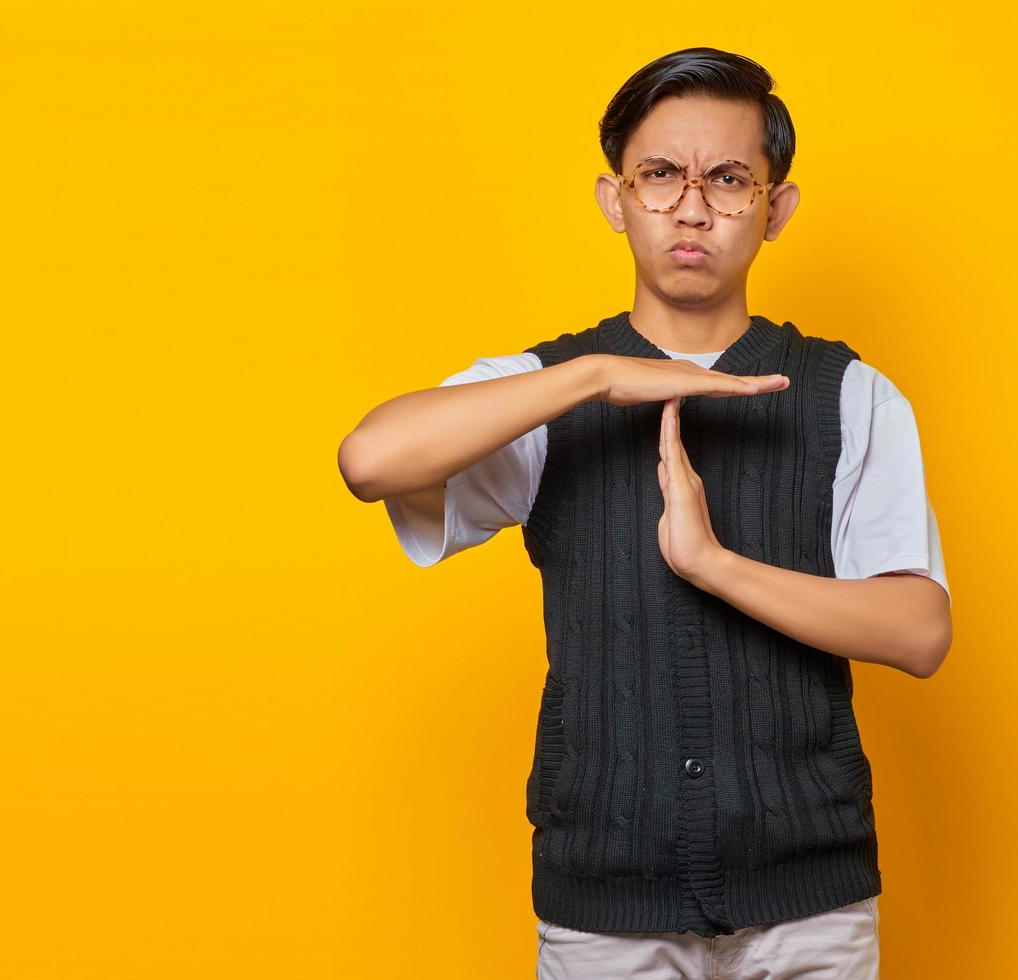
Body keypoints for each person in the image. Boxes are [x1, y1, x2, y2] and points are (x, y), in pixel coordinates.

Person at [338, 46, 953, 979]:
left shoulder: (851, 395)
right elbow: (369, 459)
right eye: (660, 175)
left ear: (776, 208)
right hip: (604, 907)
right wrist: (594, 377)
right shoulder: (547, 390)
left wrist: (715, 565)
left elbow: (919, 631)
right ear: (613, 198)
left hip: (810, 907)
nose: (693, 207)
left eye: (731, 179)